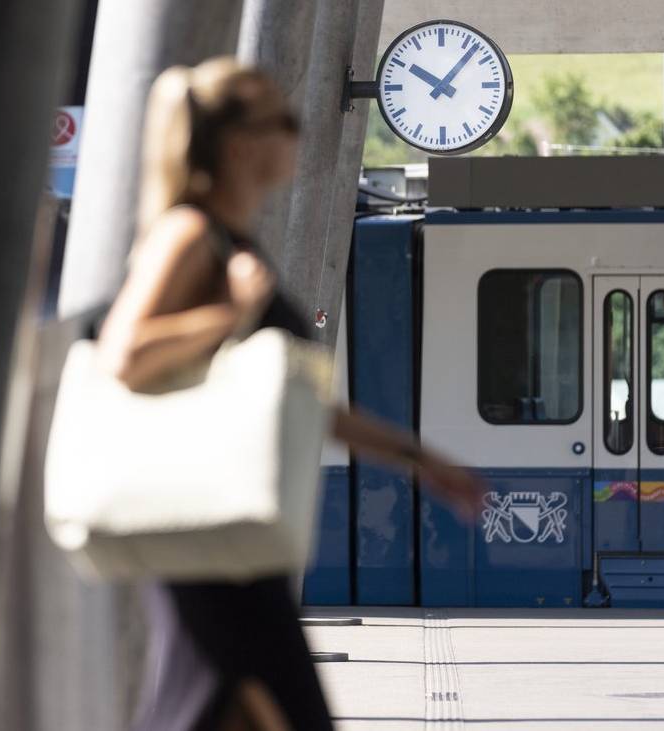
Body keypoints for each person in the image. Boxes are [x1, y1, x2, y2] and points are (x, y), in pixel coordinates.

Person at [96, 58, 487, 731]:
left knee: (214, 706)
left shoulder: (231, 241)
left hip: (230, 535)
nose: (298, 136)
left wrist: (419, 458)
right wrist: (233, 311)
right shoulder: (190, 235)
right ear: (242, 144)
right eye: (284, 122)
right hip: (207, 534)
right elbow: (124, 353)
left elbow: (291, 394)